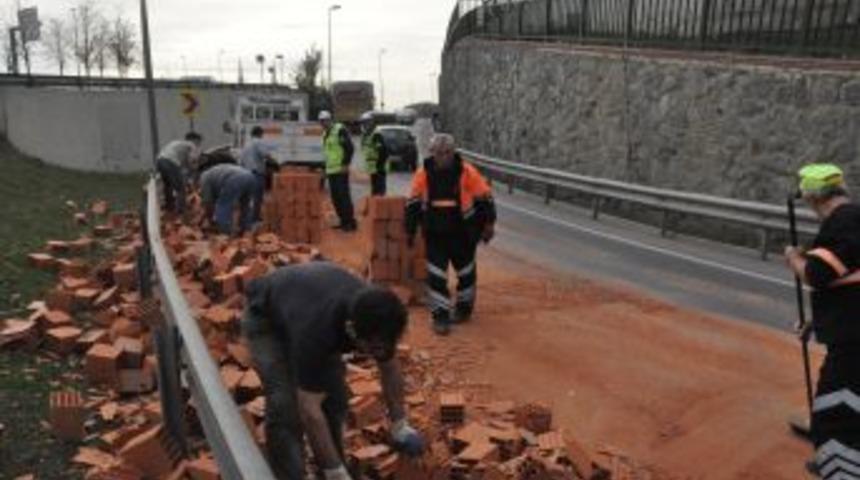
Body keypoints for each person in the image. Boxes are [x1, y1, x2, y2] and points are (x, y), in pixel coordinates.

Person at [242, 262, 426, 480]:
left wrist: (400, 426)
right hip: (267, 320)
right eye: (373, 347)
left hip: (304, 304)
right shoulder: (318, 333)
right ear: (352, 331)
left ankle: (331, 464)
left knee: (336, 400)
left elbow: (389, 366)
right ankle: (291, 474)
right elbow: (310, 410)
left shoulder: (378, 316)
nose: (378, 353)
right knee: (286, 407)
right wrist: (336, 474)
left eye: (383, 345)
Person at [784, 163, 860, 479]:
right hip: (851, 328)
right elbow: (847, 282)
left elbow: (818, 275)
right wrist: (817, 324)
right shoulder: (853, 219)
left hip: (854, 341)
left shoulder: (843, 222)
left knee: (837, 410)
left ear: (815, 198)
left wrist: (793, 258)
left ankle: (841, 467)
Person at [405, 134, 497, 336]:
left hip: (463, 233)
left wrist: (489, 224)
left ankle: (464, 309)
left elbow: (485, 198)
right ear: (432, 153)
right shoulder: (423, 174)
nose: (443, 157)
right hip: (435, 234)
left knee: (466, 274)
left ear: (453, 152)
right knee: (436, 276)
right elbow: (412, 203)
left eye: (447, 152)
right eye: (439, 153)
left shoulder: (467, 172)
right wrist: (410, 230)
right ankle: (440, 316)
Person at [320, 110, 357, 231]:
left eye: (325, 121)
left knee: (343, 197)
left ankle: (350, 223)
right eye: (321, 121)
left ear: (330, 120)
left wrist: (345, 164)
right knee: (336, 198)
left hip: (340, 170)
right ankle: (343, 221)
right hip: (331, 171)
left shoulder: (339, 130)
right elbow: (327, 154)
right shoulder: (325, 134)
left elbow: (350, 148)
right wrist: (324, 169)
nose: (323, 123)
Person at [199, 163, 257, 236]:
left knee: (223, 205)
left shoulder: (204, 178)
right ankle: (246, 230)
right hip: (250, 177)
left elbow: (208, 202)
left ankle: (224, 232)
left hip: (235, 179)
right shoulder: (213, 173)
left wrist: (210, 220)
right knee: (245, 205)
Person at [156, 132, 202, 214]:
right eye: (198, 142)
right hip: (170, 162)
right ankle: (181, 211)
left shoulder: (178, 143)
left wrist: (187, 174)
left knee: (168, 186)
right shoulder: (191, 145)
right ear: (194, 140)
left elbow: (184, 164)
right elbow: (192, 161)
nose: (199, 144)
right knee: (180, 188)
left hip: (160, 161)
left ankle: (169, 208)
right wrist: (195, 170)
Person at [240, 126, 278, 223]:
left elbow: (241, 161)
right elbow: (265, 154)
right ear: (260, 134)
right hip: (256, 174)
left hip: (245, 173)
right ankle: (254, 219)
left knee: (248, 198)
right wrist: (275, 162)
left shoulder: (246, 144)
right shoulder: (258, 142)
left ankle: (246, 219)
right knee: (257, 198)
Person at [359, 112, 390, 196]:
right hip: (373, 168)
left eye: (367, 123)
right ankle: (376, 206)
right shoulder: (367, 135)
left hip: (379, 168)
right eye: (364, 123)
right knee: (374, 190)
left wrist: (379, 165)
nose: (365, 125)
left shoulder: (376, 135)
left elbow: (383, 152)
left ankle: (380, 206)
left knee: (379, 191)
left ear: (371, 122)